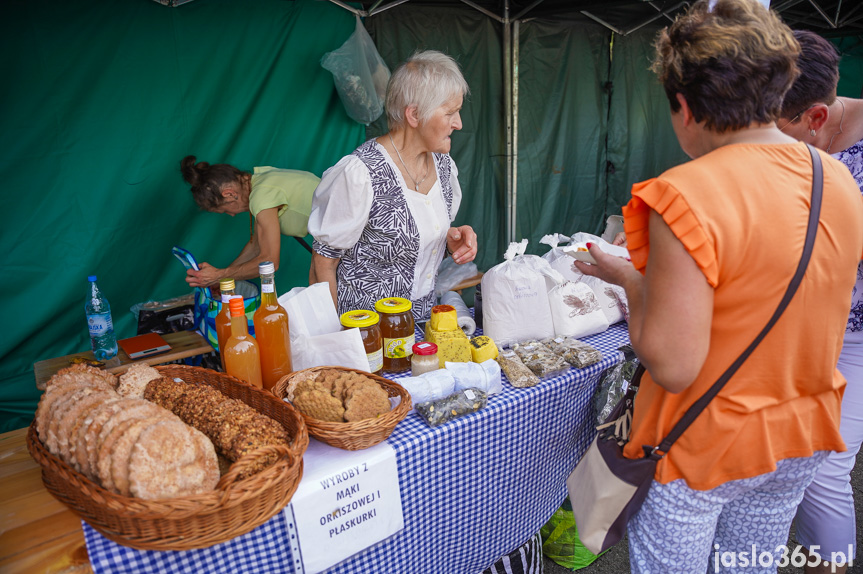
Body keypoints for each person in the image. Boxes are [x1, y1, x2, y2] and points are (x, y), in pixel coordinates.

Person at [573, 1, 863, 572]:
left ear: (683, 106)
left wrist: (632, 281)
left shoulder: (684, 193)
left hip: (706, 440)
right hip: (798, 433)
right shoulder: (837, 175)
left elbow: (674, 366)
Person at [778, 30, 863, 574]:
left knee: (827, 457)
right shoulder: (795, 136)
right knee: (788, 453)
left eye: (773, 133)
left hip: (854, 335)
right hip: (801, 327)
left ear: (813, 116)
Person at [309, 50, 477, 321]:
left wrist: (450, 239)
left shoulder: (445, 168)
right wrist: (334, 338)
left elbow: (409, 239)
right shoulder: (360, 174)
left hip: (421, 324)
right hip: (365, 333)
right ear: (414, 115)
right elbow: (323, 262)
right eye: (450, 113)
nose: (458, 123)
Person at [180, 157, 321, 287]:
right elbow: (256, 246)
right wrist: (223, 279)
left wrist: (218, 276)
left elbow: (270, 262)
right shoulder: (260, 179)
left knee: (319, 281)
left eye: (225, 210)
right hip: (336, 227)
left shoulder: (261, 196)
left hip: (341, 228)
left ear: (229, 194)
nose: (232, 214)